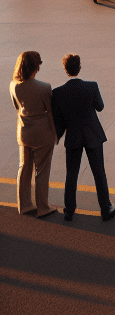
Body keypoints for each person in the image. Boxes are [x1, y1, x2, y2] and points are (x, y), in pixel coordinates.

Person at [51, 53, 115, 223]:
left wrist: (57, 137)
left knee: (71, 174)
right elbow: (100, 107)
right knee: (98, 173)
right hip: (92, 135)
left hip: (73, 136)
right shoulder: (92, 87)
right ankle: (105, 208)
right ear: (79, 68)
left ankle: (69, 210)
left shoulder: (58, 93)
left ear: (65, 69)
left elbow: (58, 120)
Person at [10, 50, 56, 217]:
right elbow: (50, 112)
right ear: (36, 67)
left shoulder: (13, 85)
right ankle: (43, 206)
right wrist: (55, 134)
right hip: (42, 132)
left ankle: (24, 204)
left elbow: (17, 107)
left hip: (23, 131)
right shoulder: (44, 88)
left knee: (24, 168)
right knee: (42, 170)